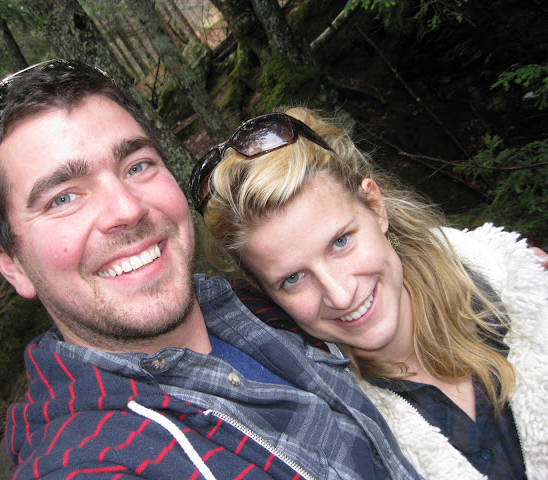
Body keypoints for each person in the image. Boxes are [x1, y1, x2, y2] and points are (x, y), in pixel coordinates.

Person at [0, 60, 424, 480]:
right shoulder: (88, 458)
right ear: (11, 263)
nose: (126, 209)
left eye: (137, 166)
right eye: (63, 198)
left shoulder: (257, 302)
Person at [193, 107, 548, 480]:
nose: (341, 295)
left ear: (376, 208)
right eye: (293, 278)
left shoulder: (519, 289)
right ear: (267, 293)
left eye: (341, 242)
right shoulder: (337, 436)